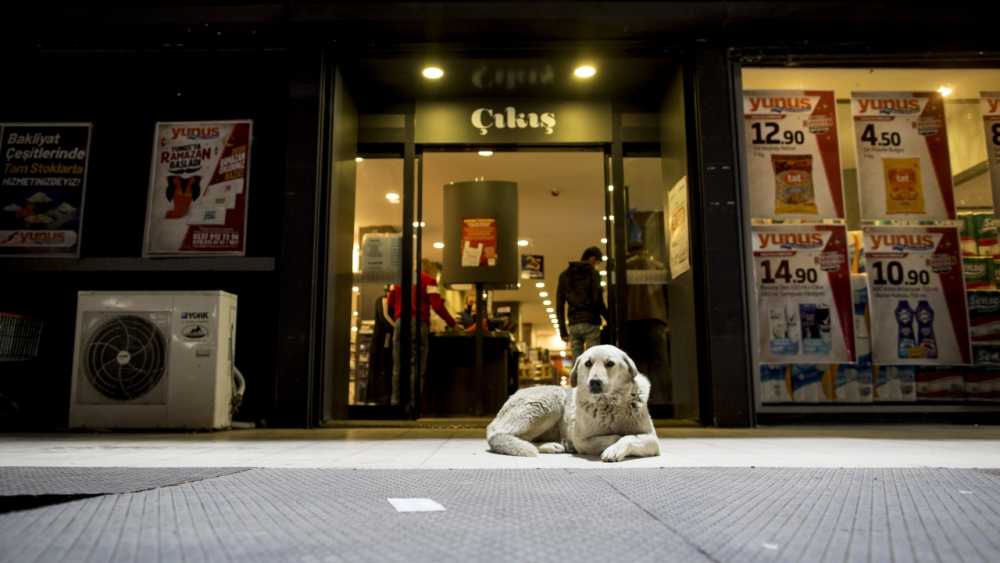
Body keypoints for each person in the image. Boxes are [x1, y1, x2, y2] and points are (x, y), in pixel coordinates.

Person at [386, 260, 458, 406]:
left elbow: (389, 303)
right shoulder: (429, 280)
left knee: (398, 364)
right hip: (418, 323)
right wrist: (452, 324)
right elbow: (438, 306)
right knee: (416, 365)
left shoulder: (399, 280)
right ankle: (412, 405)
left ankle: (395, 402)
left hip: (400, 323)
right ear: (428, 267)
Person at [625, 240, 671, 405]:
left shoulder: (624, 267)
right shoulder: (658, 266)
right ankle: (666, 400)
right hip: (655, 319)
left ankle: (643, 402)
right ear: (645, 251)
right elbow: (667, 293)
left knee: (639, 363)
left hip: (633, 319)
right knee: (661, 363)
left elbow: (617, 296)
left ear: (629, 251)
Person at [556, 246, 609, 362]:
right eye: (598, 263)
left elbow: (559, 305)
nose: (596, 266)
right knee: (593, 360)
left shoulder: (564, 275)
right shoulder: (593, 273)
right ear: (592, 259)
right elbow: (597, 300)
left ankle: (577, 380)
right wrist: (609, 318)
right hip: (590, 322)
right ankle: (591, 380)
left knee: (577, 362)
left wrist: (563, 331)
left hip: (574, 324)